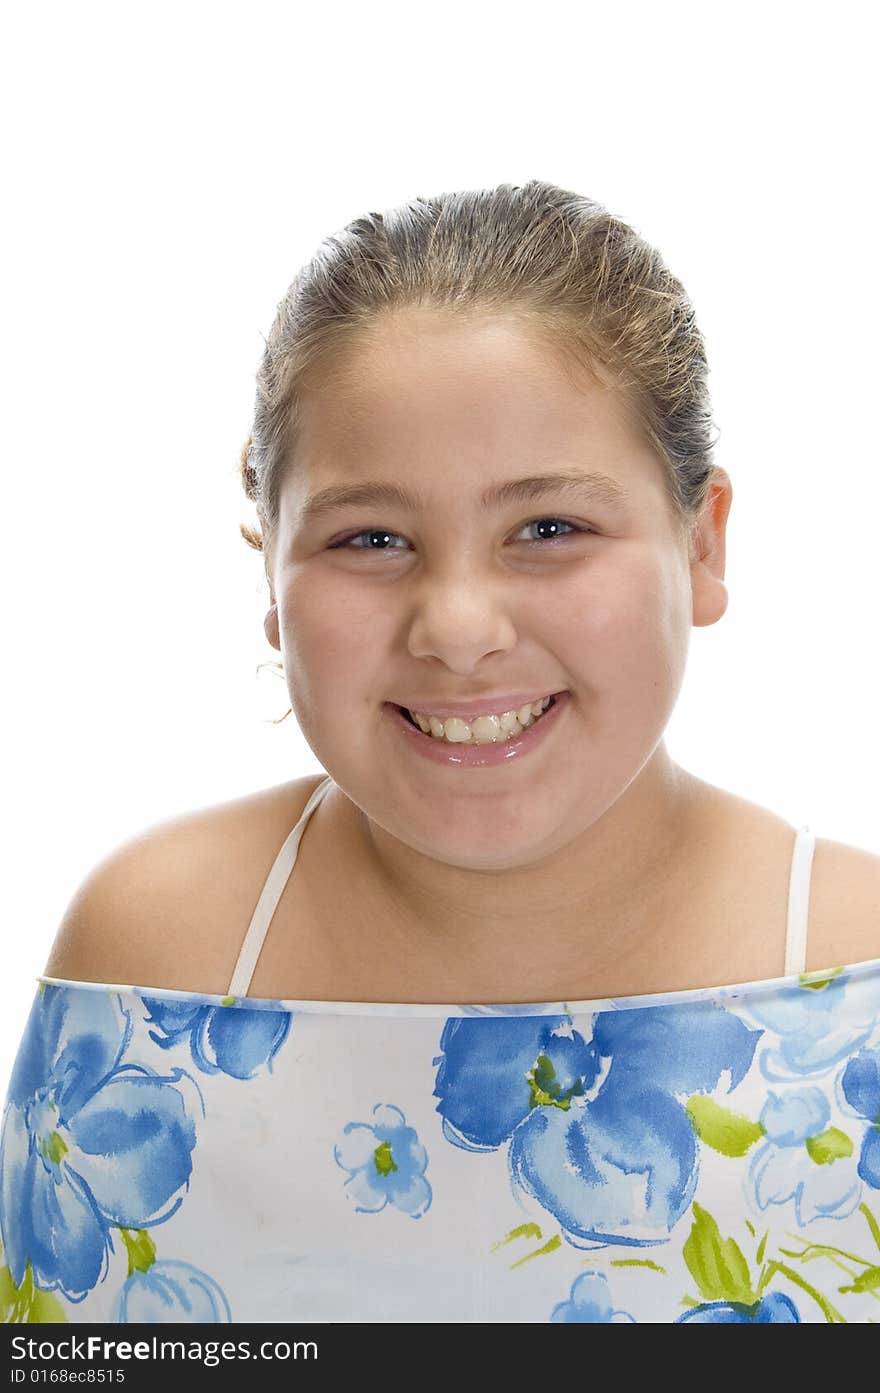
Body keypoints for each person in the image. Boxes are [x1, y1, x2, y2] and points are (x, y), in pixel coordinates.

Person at [2, 179, 879, 1326]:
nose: (458, 627)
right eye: (370, 537)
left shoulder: (858, 965)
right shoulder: (156, 949)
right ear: (269, 572)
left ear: (700, 543)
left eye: (549, 528)